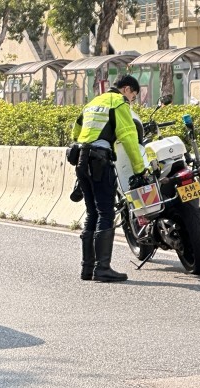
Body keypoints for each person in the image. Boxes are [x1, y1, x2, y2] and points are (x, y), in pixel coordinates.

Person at [71, 74, 148, 283]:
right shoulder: (118, 102)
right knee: (105, 211)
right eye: (133, 95)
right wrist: (140, 170)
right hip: (99, 160)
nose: (132, 100)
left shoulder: (93, 102)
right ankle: (102, 268)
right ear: (126, 89)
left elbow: (76, 131)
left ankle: (87, 269)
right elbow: (129, 137)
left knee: (92, 213)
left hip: (81, 159)